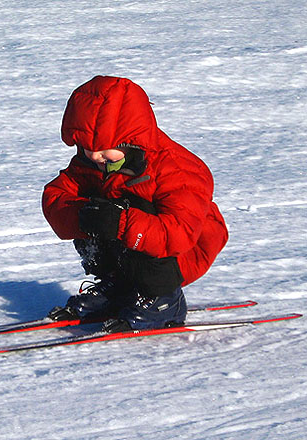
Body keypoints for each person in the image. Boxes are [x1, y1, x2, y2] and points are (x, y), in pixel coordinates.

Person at [42, 76, 228, 332]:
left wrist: (119, 222)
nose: (96, 156)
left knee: (128, 209)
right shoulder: (94, 164)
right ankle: (120, 288)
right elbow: (56, 195)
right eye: (87, 148)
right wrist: (84, 216)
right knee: (94, 210)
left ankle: (163, 300)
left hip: (185, 251)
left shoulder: (176, 168)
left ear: (130, 141)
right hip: (138, 253)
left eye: (105, 149)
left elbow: (180, 233)